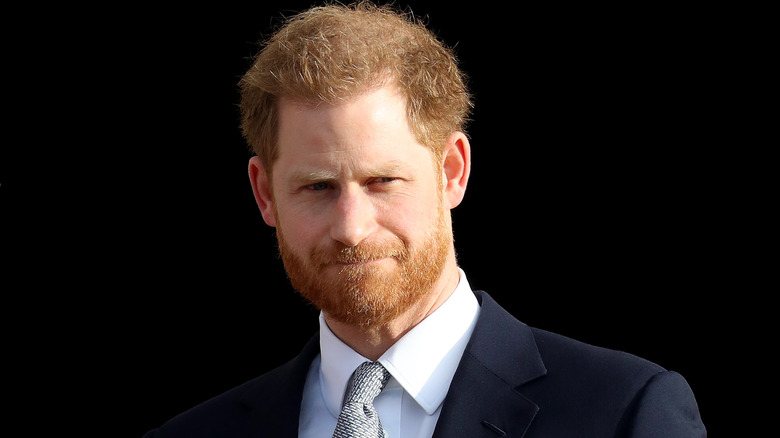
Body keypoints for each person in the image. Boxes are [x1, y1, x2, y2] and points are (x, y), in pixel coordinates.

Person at [144, 2, 706, 437]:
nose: (351, 227)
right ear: (264, 195)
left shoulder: (624, 414)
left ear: (452, 171)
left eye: (382, 181)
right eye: (317, 187)